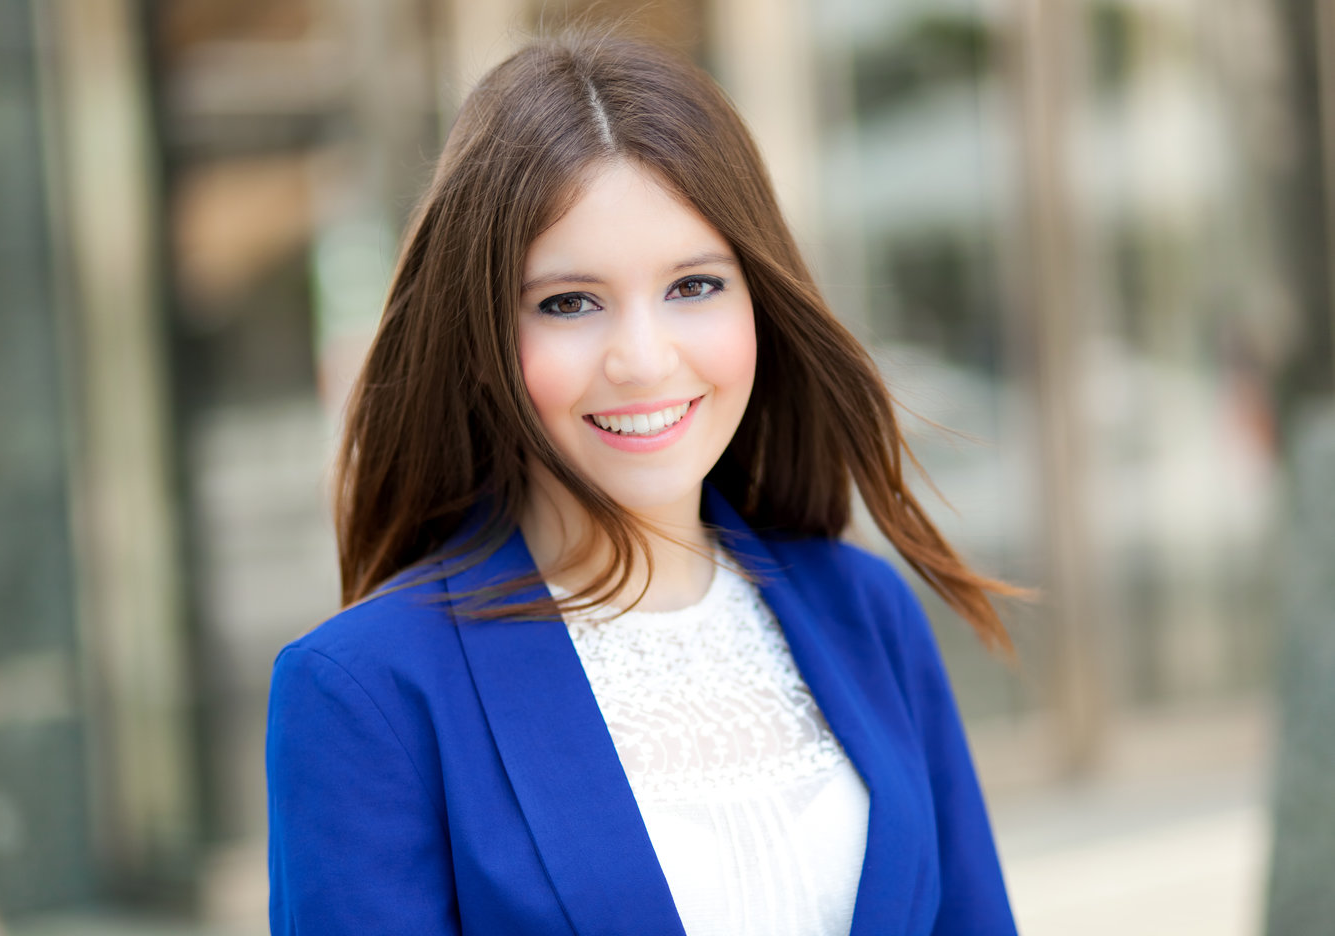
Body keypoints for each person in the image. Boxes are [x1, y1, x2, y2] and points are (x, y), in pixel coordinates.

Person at [266, 31, 1023, 936]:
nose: (643, 359)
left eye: (695, 285)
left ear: (759, 300)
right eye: (569, 302)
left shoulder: (866, 613)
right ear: (480, 341)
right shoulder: (367, 693)